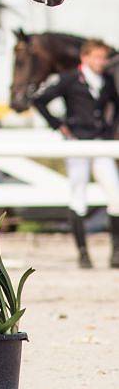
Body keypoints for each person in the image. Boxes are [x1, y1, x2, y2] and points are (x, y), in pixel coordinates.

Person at [32, 39, 119, 268]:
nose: (102, 62)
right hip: (77, 140)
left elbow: (115, 105)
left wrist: (110, 129)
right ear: (85, 57)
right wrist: (57, 123)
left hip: (99, 140)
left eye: (103, 58)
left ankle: (115, 252)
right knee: (78, 194)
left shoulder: (107, 80)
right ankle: (83, 253)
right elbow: (40, 100)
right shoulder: (69, 79)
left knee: (115, 194)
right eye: (98, 57)